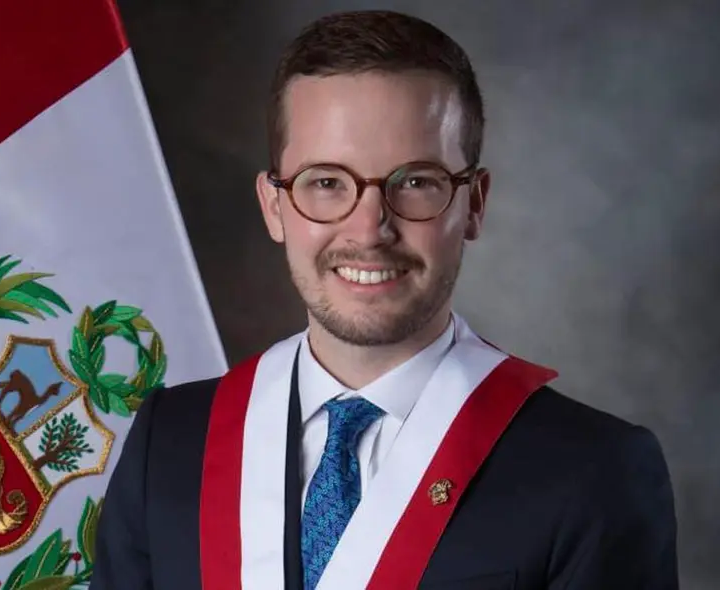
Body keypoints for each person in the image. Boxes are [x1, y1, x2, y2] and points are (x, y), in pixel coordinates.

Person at [89, 9, 678, 590]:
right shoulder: (169, 446)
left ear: (473, 202)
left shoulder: (593, 471)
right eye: (326, 183)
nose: (369, 229)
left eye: (416, 182)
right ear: (274, 206)